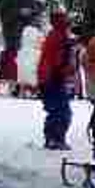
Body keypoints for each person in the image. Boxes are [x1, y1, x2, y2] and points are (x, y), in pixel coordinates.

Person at [38, 8, 78, 150]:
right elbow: (57, 62)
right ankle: (55, 139)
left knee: (56, 111)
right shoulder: (59, 37)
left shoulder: (56, 35)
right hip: (52, 80)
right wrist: (68, 70)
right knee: (61, 111)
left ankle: (53, 138)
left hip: (48, 79)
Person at [0, 0, 39, 83]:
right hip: (10, 28)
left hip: (26, 30)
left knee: (24, 54)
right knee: (11, 52)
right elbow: (0, 11)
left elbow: (36, 9)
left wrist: (31, 12)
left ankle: (22, 77)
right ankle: (5, 76)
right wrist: (18, 12)